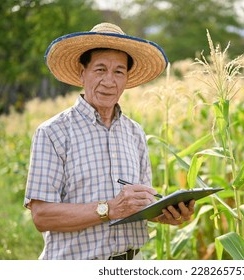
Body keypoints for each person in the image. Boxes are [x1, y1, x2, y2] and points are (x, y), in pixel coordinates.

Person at [24, 22, 195, 260]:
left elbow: (138, 207)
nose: (109, 81)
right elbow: (42, 216)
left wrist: (166, 214)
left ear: (127, 79)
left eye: (118, 72)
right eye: (100, 69)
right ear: (82, 73)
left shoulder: (135, 133)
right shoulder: (53, 133)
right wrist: (109, 209)